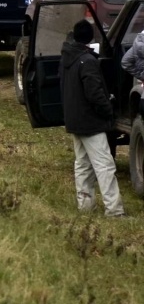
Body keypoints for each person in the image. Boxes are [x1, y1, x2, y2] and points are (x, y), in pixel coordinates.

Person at [61, 19, 124, 218]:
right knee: (104, 165)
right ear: (90, 38)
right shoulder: (87, 61)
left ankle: (85, 206)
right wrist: (108, 111)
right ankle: (114, 211)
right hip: (91, 122)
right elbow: (94, 93)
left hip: (75, 120)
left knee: (82, 165)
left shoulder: (66, 58)